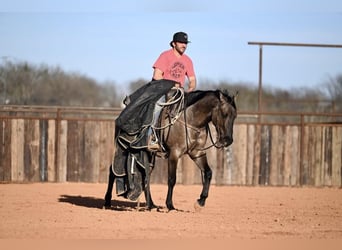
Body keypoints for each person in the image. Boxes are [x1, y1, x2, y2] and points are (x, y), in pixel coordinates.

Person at [147, 32, 197, 151]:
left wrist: (191, 88)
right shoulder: (165, 56)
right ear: (174, 44)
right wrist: (170, 85)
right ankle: (152, 137)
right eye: (181, 43)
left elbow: (192, 79)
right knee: (157, 107)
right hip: (163, 91)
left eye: (185, 43)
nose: (184, 45)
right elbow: (157, 75)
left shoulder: (188, 60)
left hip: (179, 93)